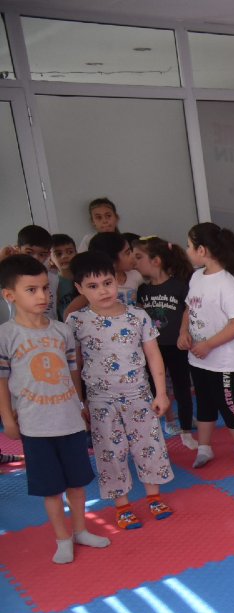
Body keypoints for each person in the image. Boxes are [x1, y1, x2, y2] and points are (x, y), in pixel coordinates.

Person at [0, 255, 110, 563]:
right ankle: (62, 538)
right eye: (31, 290)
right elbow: (2, 381)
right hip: (35, 427)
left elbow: (74, 373)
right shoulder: (6, 336)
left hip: (69, 422)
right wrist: (7, 418)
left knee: (76, 484)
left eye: (45, 289)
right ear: (9, 295)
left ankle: (79, 531)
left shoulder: (62, 331)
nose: (43, 296)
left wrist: (80, 404)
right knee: (51, 489)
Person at [66, 251, 175, 530]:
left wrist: (161, 393)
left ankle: (153, 497)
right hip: (101, 400)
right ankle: (122, 506)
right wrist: (80, 403)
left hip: (139, 395)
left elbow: (153, 356)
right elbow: (74, 367)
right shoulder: (76, 322)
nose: (103, 291)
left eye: (107, 282)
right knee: (109, 453)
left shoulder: (137, 315)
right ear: (79, 289)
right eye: (92, 286)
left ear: (116, 280)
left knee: (148, 446)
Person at [178, 223, 234, 468]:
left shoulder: (228, 283)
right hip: (198, 356)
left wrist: (209, 344)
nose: (186, 249)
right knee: (204, 402)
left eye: (188, 245)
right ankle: (204, 448)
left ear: (201, 250)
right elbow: (189, 308)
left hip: (222, 359)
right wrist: (183, 332)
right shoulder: (197, 276)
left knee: (226, 401)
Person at [134, 236, 197, 450]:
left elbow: (188, 310)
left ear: (156, 261)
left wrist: (183, 332)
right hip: (153, 349)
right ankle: (168, 423)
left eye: (139, 257)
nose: (135, 262)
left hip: (177, 347)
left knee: (181, 388)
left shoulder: (178, 286)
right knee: (157, 388)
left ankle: (187, 431)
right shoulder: (143, 290)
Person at [64, 231, 142, 316]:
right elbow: (68, 314)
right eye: (127, 253)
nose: (133, 255)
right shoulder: (92, 290)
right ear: (112, 261)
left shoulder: (135, 276)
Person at [50, 234, 78, 321]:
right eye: (58, 254)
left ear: (76, 253)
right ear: (51, 260)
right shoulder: (52, 284)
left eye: (69, 252)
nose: (65, 256)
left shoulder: (86, 278)